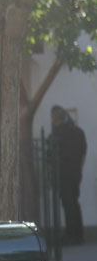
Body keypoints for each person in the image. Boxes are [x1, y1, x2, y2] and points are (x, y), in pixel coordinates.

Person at [51, 105, 87, 245]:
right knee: (75, 202)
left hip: (63, 173)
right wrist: (79, 169)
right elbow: (84, 153)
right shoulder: (78, 131)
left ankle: (70, 234)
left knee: (67, 203)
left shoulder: (57, 133)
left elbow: (51, 156)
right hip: (75, 172)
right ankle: (79, 234)